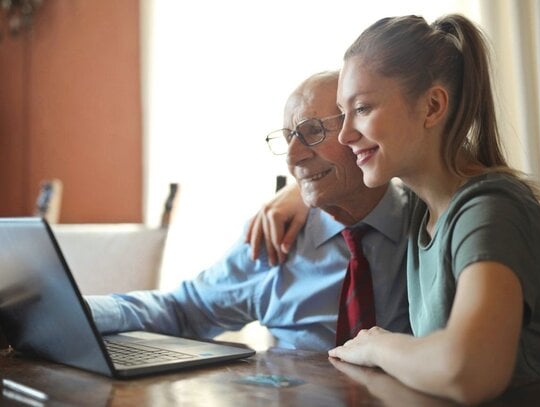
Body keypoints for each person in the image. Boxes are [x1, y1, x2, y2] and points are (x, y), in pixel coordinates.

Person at [249, 13, 540, 405]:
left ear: (433, 106)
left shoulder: (489, 211)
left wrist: (375, 345)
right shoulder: (425, 212)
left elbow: (469, 371)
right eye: (343, 112)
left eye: (363, 109)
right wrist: (301, 193)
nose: (344, 134)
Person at [86, 70, 411, 352]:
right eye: (288, 138)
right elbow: (183, 309)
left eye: (312, 131)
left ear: (362, 128)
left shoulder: (429, 221)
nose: (293, 157)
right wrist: (82, 311)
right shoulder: (276, 236)